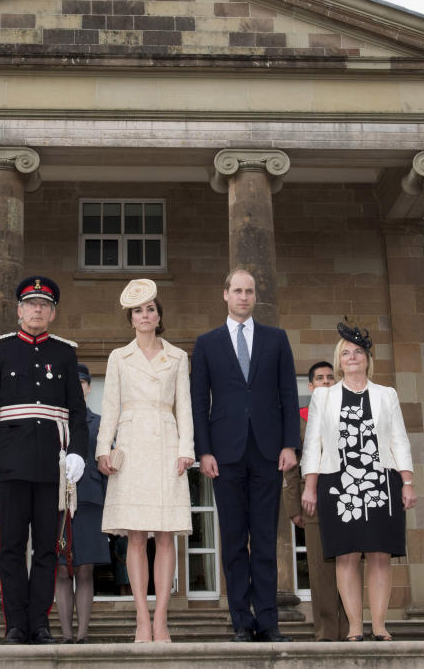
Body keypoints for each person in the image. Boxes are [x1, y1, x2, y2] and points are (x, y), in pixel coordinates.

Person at [0, 275, 88, 645]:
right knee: (10, 547)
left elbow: (76, 409)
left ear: (52, 313)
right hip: (10, 462)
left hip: (51, 465)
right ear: (19, 310)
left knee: (45, 548)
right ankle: (15, 624)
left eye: (44, 305)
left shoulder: (64, 353)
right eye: (31, 304)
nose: (37, 310)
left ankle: (39, 622)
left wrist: (77, 453)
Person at [190, 269, 300, 643]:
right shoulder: (207, 343)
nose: (243, 297)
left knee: (266, 540)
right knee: (234, 541)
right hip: (226, 452)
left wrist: (290, 444)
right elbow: (197, 402)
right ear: (225, 294)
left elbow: (288, 393)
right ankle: (242, 621)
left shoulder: (276, 339)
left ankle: (268, 622)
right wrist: (203, 451)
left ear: (255, 296)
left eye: (249, 291)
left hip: (269, 451)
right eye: (237, 290)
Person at [300, 323, 417, 642]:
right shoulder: (323, 396)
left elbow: (399, 440)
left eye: (358, 353)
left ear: (367, 359)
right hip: (338, 484)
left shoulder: (386, 394)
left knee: (380, 555)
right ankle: (354, 626)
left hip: (383, 482)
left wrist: (407, 481)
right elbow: (313, 444)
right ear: (339, 360)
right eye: (346, 353)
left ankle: (379, 625)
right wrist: (309, 486)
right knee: (346, 555)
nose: (352, 358)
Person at [97, 279, 194, 643]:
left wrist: (187, 448)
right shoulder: (118, 358)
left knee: (166, 535)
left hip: (167, 443)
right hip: (132, 445)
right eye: (138, 310)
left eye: (150, 309)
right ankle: (141, 618)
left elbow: (184, 408)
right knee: (136, 537)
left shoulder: (178, 357)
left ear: (158, 316)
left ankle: (162, 620)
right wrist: (103, 449)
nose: (145, 315)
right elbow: (109, 408)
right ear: (131, 318)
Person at [281, 361, 348, 641]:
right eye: (319, 378)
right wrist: (293, 508)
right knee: (320, 571)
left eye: (331, 377)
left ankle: (351, 629)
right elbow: (291, 468)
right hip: (314, 503)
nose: (326, 381)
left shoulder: (351, 414)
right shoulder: (301, 419)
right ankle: (326, 632)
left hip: (349, 501)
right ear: (310, 386)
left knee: (350, 567)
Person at [55, 363, 110, 644]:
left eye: (82, 383)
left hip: (89, 499)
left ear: (89, 387)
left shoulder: (100, 422)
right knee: (62, 569)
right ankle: (65, 636)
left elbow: (108, 464)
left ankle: (83, 635)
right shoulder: (52, 421)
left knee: (85, 568)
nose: (77, 388)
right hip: (56, 504)